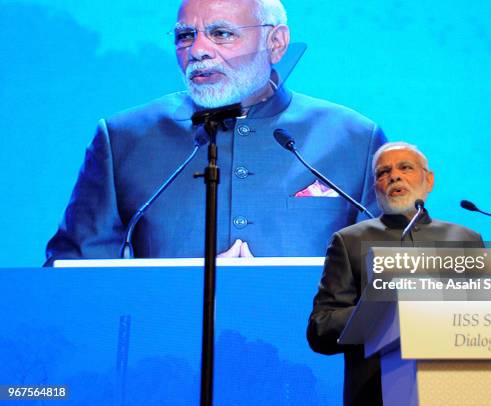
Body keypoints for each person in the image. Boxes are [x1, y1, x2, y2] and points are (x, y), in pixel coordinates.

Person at [45, 0, 386, 264]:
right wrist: (186, 289)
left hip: (319, 351)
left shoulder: (353, 138)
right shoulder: (124, 138)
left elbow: (395, 277)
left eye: (221, 34)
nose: (198, 51)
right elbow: (73, 278)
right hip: (168, 350)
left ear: (277, 43)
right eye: (185, 36)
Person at [306, 142, 483, 406]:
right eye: (382, 173)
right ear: (375, 187)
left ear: (429, 179)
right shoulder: (349, 240)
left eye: (405, 168)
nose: (394, 176)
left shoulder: (465, 239)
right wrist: (381, 312)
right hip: (376, 394)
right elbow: (321, 328)